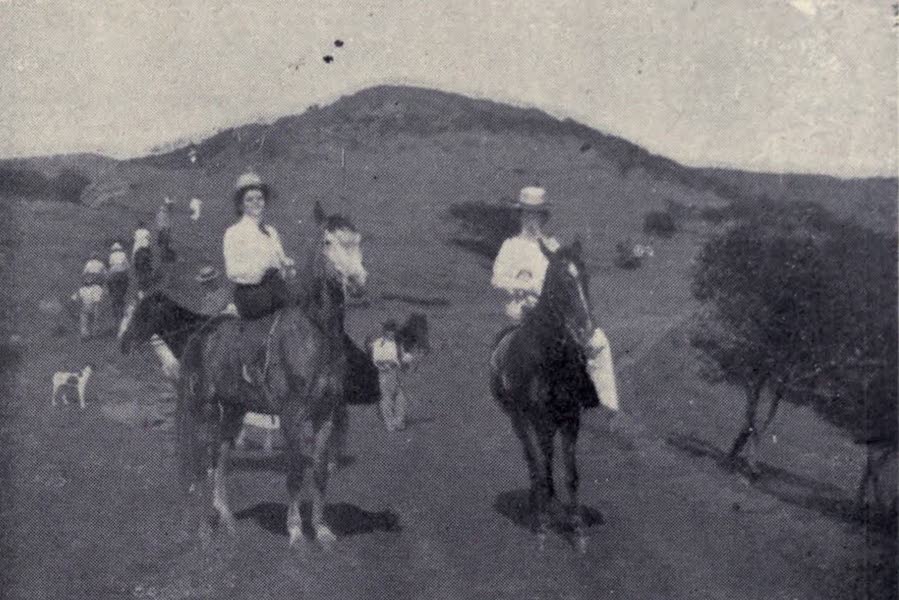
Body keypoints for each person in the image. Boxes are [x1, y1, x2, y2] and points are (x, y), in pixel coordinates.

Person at [491, 186, 620, 412]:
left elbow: (569, 278)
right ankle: (509, 386)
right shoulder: (510, 246)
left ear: (544, 217)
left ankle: (606, 406)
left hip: (555, 313)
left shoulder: (554, 246)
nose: (533, 220)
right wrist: (525, 285)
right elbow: (497, 279)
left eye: (538, 214)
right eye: (528, 214)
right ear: (521, 216)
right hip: (522, 309)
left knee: (598, 340)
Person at [223, 172, 295, 320]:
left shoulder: (271, 231)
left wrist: (286, 266)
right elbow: (233, 271)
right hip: (251, 295)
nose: (256, 202)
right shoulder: (234, 233)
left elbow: (279, 263)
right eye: (249, 200)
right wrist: (261, 268)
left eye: (259, 198)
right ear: (241, 205)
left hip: (276, 290)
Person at [370, 320, 409, 431]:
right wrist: (386, 365)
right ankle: (390, 423)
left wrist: (407, 359)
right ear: (385, 331)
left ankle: (399, 422)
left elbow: (402, 357)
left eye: (393, 331)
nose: (392, 333)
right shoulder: (378, 343)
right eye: (390, 331)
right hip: (384, 374)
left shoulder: (398, 343)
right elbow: (376, 360)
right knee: (386, 399)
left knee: (401, 398)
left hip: (396, 373)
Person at [77, 253, 107, 340]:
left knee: (84, 319)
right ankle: (95, 331)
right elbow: (105, 274)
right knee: (96, 317)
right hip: (94, 302)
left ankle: (84, 333)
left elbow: (84, 273)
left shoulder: (88, 263)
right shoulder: (101, 264)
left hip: (85, 306)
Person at [106, 242, 130, 322]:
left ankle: (111, 292)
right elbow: (127, 266)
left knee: (109, 282)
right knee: (125, 285)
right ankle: (122, 311)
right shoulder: (123, 254)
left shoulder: (111, 255)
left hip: (113, 273)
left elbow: (110, 264)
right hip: (122, 273)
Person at [156, 197, 175, 262]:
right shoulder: (163, 212)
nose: (171, 206)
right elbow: (162, 223)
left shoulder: (165, 211)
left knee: (165, 244)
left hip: (164, 230)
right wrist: (165, 230)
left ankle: (164, 257)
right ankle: (163, 258)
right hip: (163, 230)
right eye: (170, 205)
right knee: (164, 244)